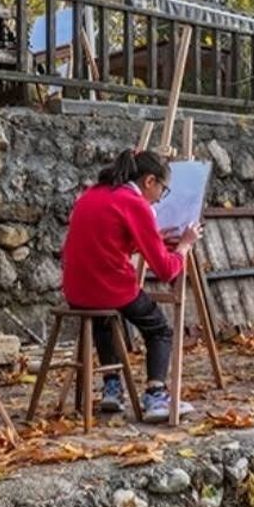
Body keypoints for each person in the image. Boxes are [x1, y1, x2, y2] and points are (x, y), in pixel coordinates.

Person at [61, 149, 202, 422]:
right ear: (149, 181)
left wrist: (149, 237)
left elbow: (108, 238)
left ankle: (112, 387)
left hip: (76, 291)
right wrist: (183, 246)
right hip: (109, 288)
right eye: (163, 189)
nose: (162, 197)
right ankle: (156, 395)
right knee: (159, 330)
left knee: (104, 323)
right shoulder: (134, 203)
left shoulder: (92, 194)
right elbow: (165, 270)